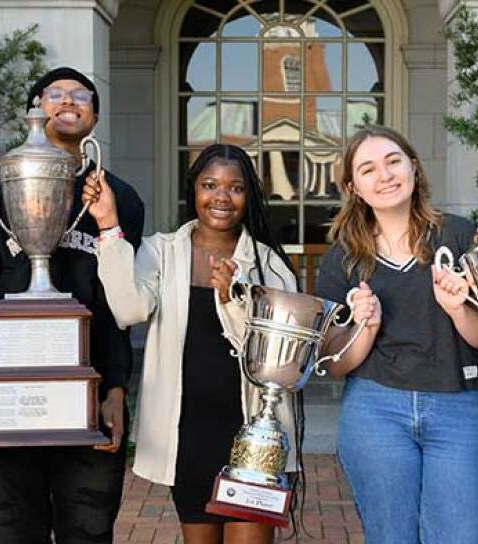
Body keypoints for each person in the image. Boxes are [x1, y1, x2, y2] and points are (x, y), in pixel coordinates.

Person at [0, 66, 145, 544]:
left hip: (88, 398)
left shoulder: (121, 198)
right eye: (53, 93)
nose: (67, 101)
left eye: (81, 95)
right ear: (35, 110)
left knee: (89, 532)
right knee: (14, 533)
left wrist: (117, 387)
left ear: (95, 117)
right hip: (4, 395)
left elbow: (119, 302)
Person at [83, 143, 300, 544]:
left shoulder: (270, 266)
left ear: (249, 196)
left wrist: (231, 301)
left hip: (251, 435)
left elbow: (278, 362)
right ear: (193, 190)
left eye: (235, 188)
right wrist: (109, 226)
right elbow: (128, 310)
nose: (221, 197)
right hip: (187, 435)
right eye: (209, 184)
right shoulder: (160, 252)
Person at [314, 125, 478, 543]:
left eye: (393, 161)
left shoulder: (459, 235)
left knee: (463, 537)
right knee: (390, 537)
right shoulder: (343, 257)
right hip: (376, 410)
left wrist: (456, 310)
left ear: (413, 167)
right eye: (368, 169)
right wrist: (367, 327)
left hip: (458, 406)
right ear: (353, 187)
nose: (384, 175)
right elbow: (335, 362)